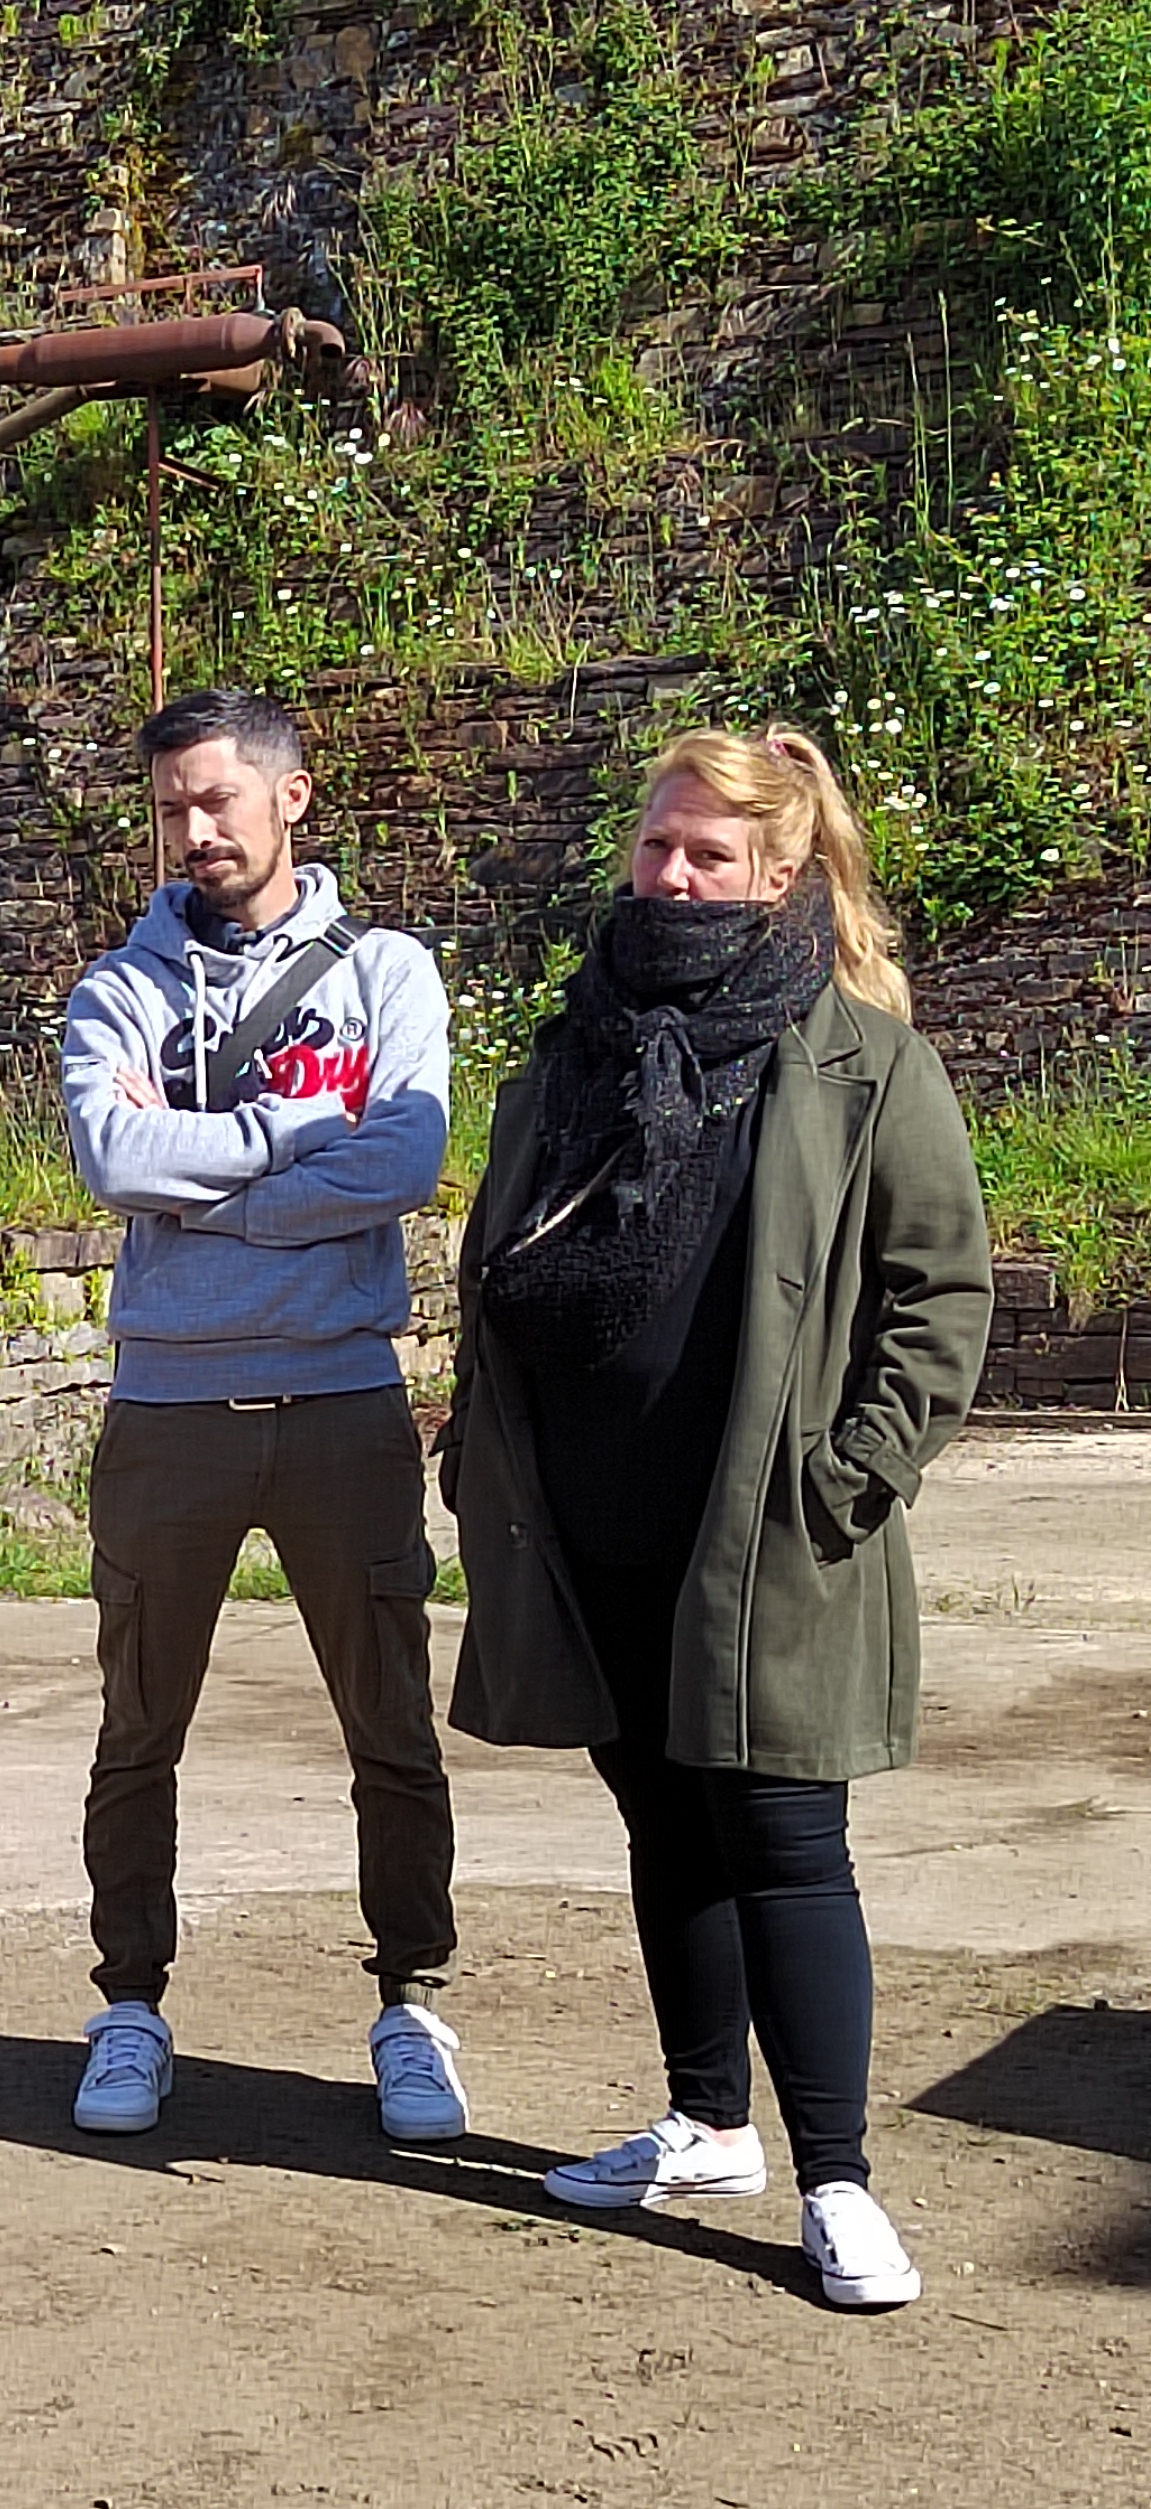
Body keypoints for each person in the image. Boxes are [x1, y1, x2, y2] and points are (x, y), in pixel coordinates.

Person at [443, 724, 990, 2311]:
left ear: (780, 874)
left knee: (788, 1845)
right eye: (657, 846)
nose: (673, 876)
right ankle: (705, 2125)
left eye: (710, 855)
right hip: (588, 1520)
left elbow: (939, 1295)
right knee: (666, 1827)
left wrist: (853, 1473)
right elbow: (505, 1268)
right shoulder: (572, 1054)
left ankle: (840, 2182)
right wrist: (481, 1446)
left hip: (771, 1529)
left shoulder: (863, 1062)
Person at [60, 683, 466, 2152]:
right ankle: (130, 2004)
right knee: (138, 1727)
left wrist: (208, 1192)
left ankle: (412, 2002)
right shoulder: (119, 989)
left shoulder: (388, 973)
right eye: (171, 806)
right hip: (169, 1410)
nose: (193, 830)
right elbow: (113, 1161)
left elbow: (404, 1159)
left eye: (217, 800)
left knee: (391, 1722)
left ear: (292, 796)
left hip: (341, 1400)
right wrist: (299, 1134)